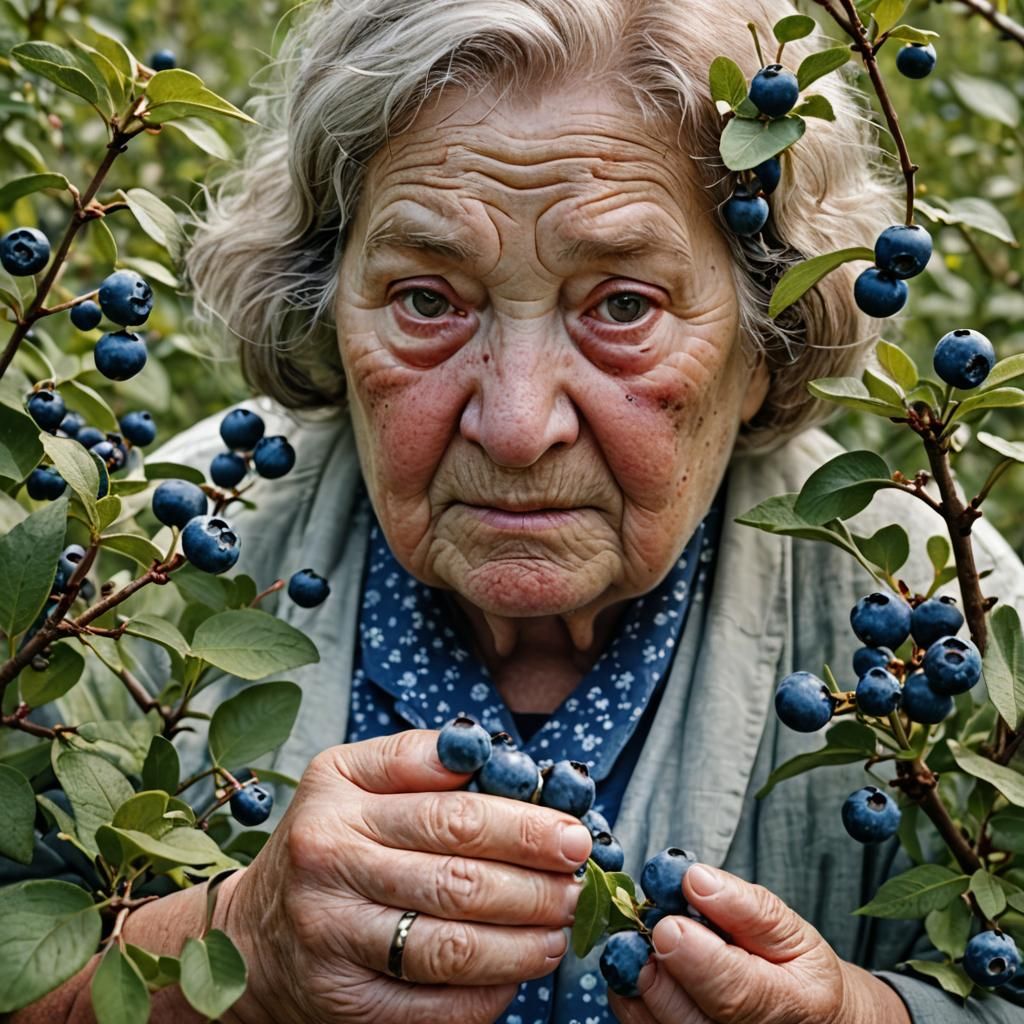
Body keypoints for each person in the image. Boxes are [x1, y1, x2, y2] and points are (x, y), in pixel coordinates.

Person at [10, 0, 1024, 1021]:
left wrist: (864, 1015)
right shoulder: (125, 564)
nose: (514, 421)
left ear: (769, 339)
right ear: (324, 300)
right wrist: (229, 958)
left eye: (622, 304)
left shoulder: (948, 617)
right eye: (426, 299)